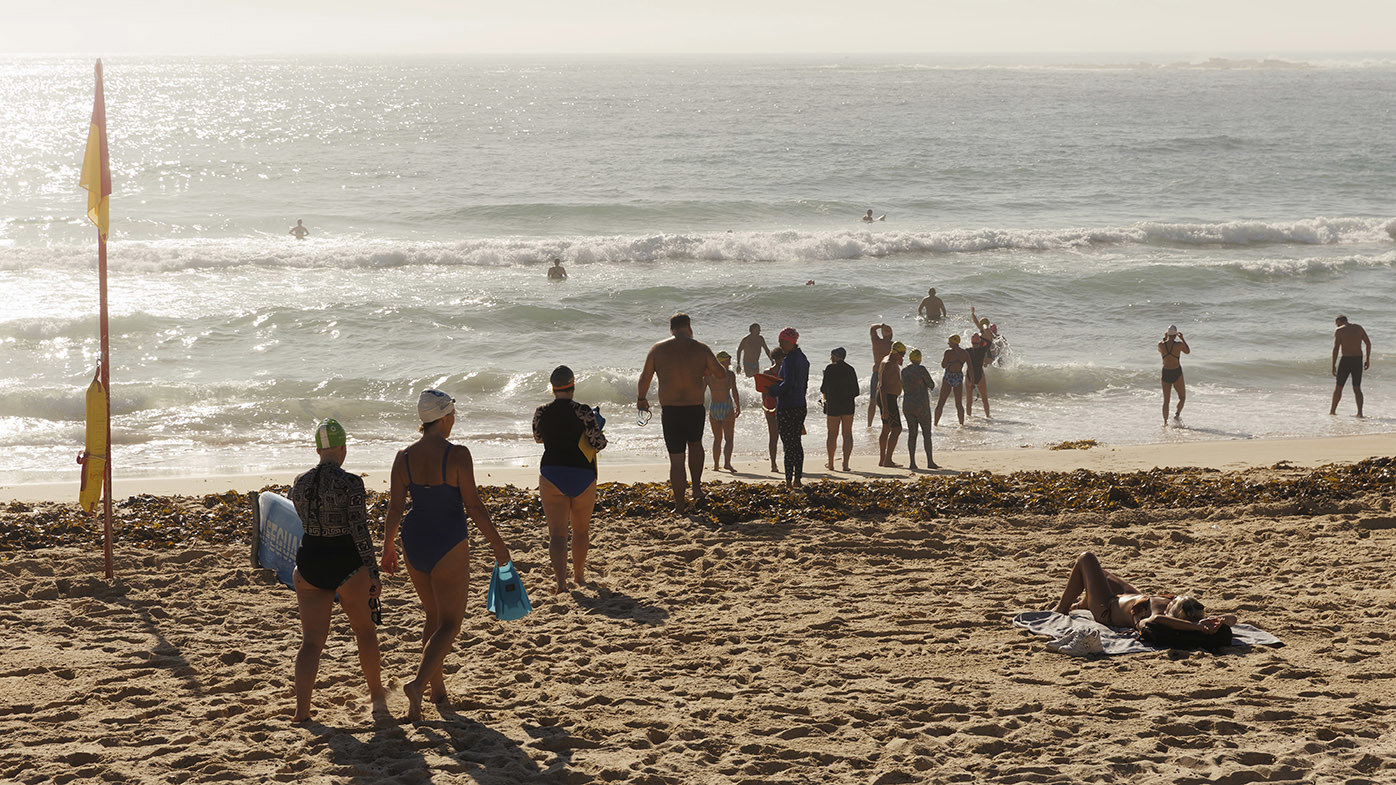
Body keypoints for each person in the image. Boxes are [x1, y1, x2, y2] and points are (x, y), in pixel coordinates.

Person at [381, 389, 512, 722]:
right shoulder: (458, 455)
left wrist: (388, 546)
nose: (454, 420)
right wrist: (498, 544)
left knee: (433, 617)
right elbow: (474, 506)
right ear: (443, 418)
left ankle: (436, 691)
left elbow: (395, 507)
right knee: (451, 622)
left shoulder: (403, 457)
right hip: (447, 540)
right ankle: (419, 684)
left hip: (414, 540)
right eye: (452, 414)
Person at [287, 418, 384, 724]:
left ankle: (301, 711)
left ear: (318, 448)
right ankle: (378, 698)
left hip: (310, 563)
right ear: (343, 448)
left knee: (311, 642)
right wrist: (373, 571)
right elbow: (359, 531)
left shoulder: (299, 483)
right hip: (346, 563)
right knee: (365, 632)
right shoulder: (351, 483)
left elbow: (305, 525)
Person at [637, 313, 726, 513]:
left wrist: (641, 399)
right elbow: (720, 374)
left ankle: (679, 505)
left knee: (676, 459)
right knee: (695, 446)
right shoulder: (701, 348)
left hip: (670, 411)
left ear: (671, 329)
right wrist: (704, 368)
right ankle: (696, 488)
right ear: (689, 326)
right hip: (694, 408)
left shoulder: (657, 349)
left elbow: (644, 378)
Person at [532, 366, 606, 595]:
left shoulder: (541, 412)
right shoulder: (583, 411)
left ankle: (561, 584)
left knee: (557, 533)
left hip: (552, 472)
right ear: (573, 386)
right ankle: (579, 576)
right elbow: (598, 443)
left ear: (553, 388)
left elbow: (538, 438)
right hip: (582, 473)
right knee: (581, 530)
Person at [1052, 551, 1236, 636]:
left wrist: (1197, 628)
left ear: (1171, 608)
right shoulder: (1191, 616)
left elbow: (1155, 621)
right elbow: (1232, 618)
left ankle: (1062, 608)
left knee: (1086, 559)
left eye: (1174, 600)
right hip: (1131, 597)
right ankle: (1079, 605)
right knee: (1103, 576)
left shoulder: (1159, 616)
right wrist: (1206, 623)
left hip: (1107, 608)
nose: (1172, 598)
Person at [768, 328, 809, 488]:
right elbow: (800, 383)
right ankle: (797, 479)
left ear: (790, 342)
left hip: (787, 406)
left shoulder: (789, 359)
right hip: (800, 405)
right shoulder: (803, 358)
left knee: (788, 444)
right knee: (796, 443)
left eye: (782, 342)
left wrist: (773, 390)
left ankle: (788, 481)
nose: (780, 345)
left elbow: (788, 383)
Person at [820, 347, 858, 471]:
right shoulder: (850, 369)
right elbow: (856, 391)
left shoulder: (830, 369)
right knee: (847, 433)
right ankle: (845, 464)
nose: (830, 358)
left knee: (832, 434)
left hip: (833, 405)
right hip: (848, 405)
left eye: (831, 356)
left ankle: (831, 463)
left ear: (836, 356)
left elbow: (823, 389)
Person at [901, 348, 938, 470]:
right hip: (921, 405)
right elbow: (931, 385)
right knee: (926, 434)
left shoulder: (904, 371)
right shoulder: (921, 369)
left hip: (907, 404)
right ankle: (930, 462)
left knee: (912, 434)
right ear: (919, 358)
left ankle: (912, 462)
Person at [706, 351, 741, 471]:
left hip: (714, 407)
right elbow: (734, 391)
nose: (730, 361)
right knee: (729, 438)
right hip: (726, 406)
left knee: (717, 439)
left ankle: (716, 465)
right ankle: (727, 463)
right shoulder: (730, 374)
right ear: (722, 361)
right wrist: (738, 405)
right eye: (728, 359)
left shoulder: (708, 375)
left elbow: (700, 391)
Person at [1331, 315, 1372, 417]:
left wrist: (1333, 365)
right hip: (1358, 360)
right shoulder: (1358, 328)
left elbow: (1336, 349)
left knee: (1339, 387)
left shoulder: (1339, 330)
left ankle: (1332, 411)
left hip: (1346, 360)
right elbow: (1368, 343)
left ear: (1339, 322)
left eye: (1336, 323)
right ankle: (1360, 413)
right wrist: (1367, 360)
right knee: (1357, 388)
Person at [877, 341, 906, 467]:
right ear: (895, 352)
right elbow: (882, 386)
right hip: (887, 398)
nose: (903, 357)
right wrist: (885, 408)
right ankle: (887, 460)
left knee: (886, 428)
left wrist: (899, 361)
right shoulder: (888, 363)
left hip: (889, 397)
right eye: (901, 354)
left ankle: (883, 459)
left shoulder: (892, 361)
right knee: (897, 429)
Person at [934, 335, 970, 426]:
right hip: (958, 377)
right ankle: (961, 424)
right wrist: (971, 380)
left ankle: (935, 424)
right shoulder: (964, 353)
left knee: (941, 402)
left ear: (953, 342)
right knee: (958, 403)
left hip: (948, 377)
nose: (948, 343)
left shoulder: (948, 352)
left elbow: (943, 365)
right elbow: (970, 367)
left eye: (949, 341)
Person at [1159, 325, 1190, 424]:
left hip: (1166, 372)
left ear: (1167, 333)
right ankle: (1177, 415)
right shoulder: (1179, 345)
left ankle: (1165, 423)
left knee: (1166, 401)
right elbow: (1187, 351)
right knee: (1182, 397)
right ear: (1176, 335)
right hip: (1176, 372)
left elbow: (1161, 347)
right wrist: (1182, 338)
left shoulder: (1161, 345)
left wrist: (1165, 338)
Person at [763, 347, 786, 473]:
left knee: (774, 436)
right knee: (781, 436)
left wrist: (764, 404)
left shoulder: (768, 372)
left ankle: (774, 464)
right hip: (779, 405)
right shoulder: (784, 371)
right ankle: (775, 463)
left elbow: (763, 391)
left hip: (771, 404)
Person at [866, 323, 893, 427]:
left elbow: (872, 328)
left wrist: (882, 325)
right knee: (887, 401)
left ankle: (869, 424)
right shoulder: (892, 345)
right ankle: (888, 422)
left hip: (876, 372)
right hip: (888, 374)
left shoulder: (876, 342)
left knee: (872, 400)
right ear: (891, 335)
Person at [965, 334, 992, 419]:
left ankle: (968, 417)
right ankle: (988, 416)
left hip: (969, 376)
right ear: (979, 342)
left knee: (969, 400)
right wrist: (982, 337)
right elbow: (989, 343)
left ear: (971, 342)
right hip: (980, 375)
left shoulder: (967, 351)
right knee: (984, 398)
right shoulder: (982, 350)